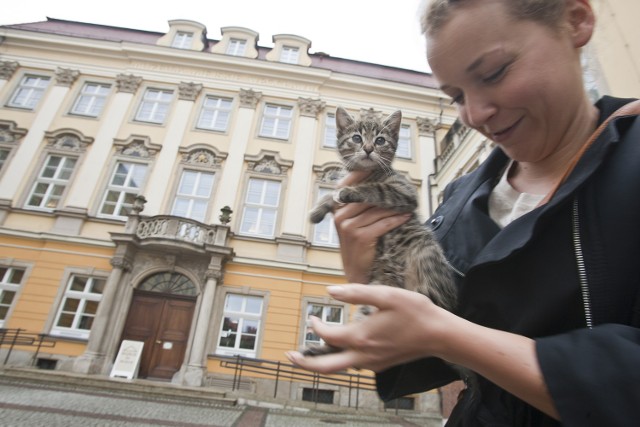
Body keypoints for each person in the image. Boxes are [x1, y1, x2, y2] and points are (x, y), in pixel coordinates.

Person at [285, 0, 640, 425]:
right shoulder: (460, 197)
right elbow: (423, 362)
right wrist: (367, 277)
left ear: (576, 20)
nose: (474, 115)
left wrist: (449, 335)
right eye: (455, 96)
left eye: (494, 73)